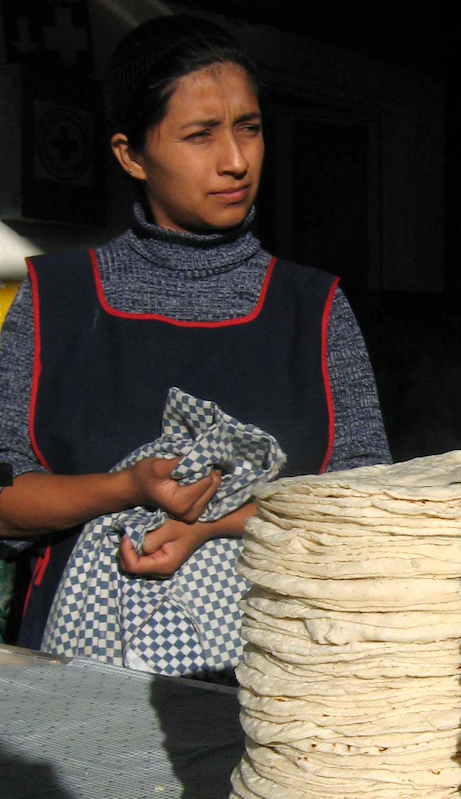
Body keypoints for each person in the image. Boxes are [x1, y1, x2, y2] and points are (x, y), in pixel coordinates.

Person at [0, 15, 391, 654]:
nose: (236, 161)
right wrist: (125, 489)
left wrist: (214, 528)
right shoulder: (56, 301)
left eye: (250, 129)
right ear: (130, 154)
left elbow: (365, 505)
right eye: (200, 135)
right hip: (77, 670)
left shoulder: (313, 308)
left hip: (283, 668)